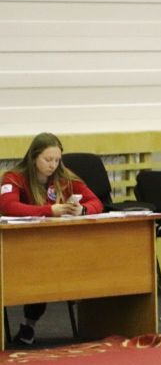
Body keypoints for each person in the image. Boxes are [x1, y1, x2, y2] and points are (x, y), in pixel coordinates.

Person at [0, 132, 103, 345]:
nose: (53, 165)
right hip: (22, 246)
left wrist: (82, 210)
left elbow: (96, 202)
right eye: (48, 159)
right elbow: (8, 206)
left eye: (57, 160)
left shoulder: (64, 177)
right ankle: (29, 325)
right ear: (33, 157)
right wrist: (49, 210)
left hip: (55, 245)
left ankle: (30, 325)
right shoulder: (13, 177)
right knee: (39, 272)